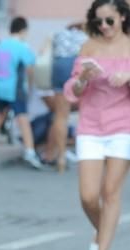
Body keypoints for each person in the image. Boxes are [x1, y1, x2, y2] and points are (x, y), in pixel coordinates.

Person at [64, 0, 130, 250]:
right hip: (91, 125)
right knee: (88, 197)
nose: (104, 26)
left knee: (110, 192)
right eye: (99, 21)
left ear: (123, 18)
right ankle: (103, 230)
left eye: (109, 21)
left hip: (124, 124)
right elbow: (72, 89)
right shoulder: (89, 47)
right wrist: (83, 79)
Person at [0, 17, 43, 169]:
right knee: (23, 118)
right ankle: (29, 151)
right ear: (23, 30)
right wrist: (29, 86)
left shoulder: (2, 45)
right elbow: (30, 67)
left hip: (0, 86)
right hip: (15, 87)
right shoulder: (23, 47)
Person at [49, 22, 88, 172]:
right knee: (86, 111)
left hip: (59, 64)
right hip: (77, 64)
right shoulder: (87, 37)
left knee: (60, 115)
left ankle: (61, 158)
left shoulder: (59, 34)